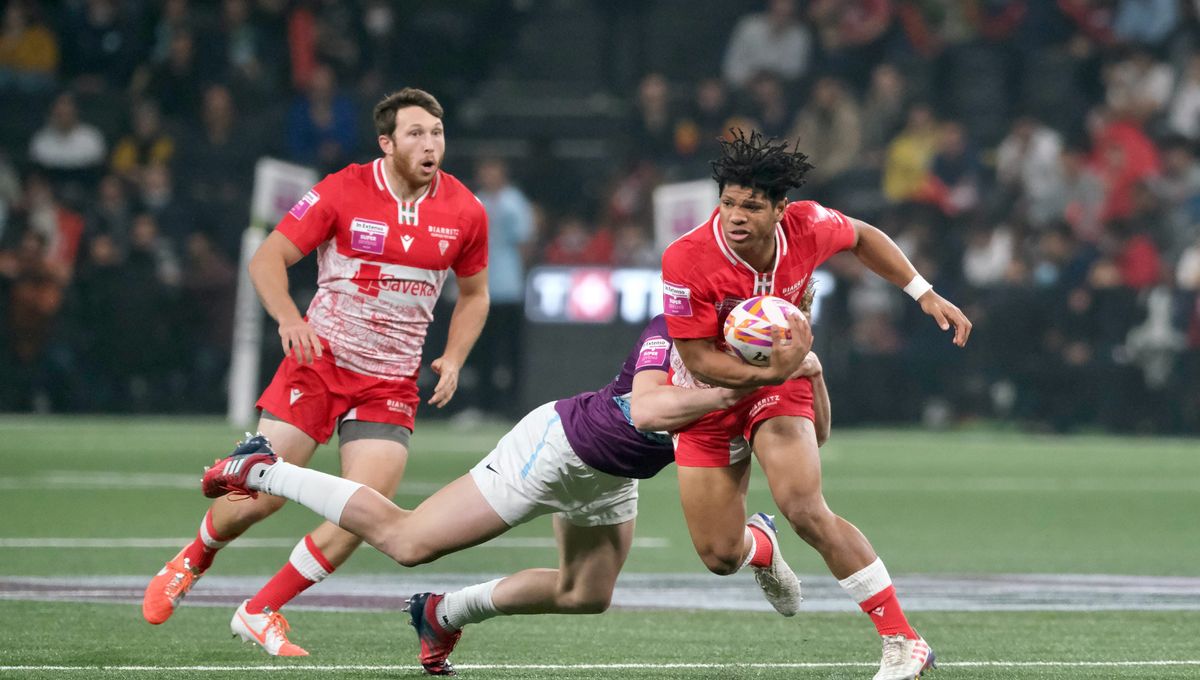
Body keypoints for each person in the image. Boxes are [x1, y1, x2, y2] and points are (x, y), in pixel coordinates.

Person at [199, 310, 831, 674]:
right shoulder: (675, 327)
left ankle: (441, 614)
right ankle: (262, 468)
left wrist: (811, 375)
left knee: (584, 594)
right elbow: (647, 410)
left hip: (611, 479)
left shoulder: (762, 368)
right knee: (407, 539)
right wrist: (739, 389)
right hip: (556, 448)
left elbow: (814, 435)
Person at [141, 88, 491, 657]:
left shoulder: (465, 210)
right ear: (387, 142)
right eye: (416, 133)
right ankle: (193, 558)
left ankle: (261, 609)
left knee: (367, 513)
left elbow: (475, 295)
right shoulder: (343, 189)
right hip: (319, 363)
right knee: (260, 494)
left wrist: (452, 357)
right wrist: (287, 319)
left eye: (437, 132)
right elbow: (266, 259)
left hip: (391, 381)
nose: (431, 145)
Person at [660, 130, 971, 680]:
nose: (736, 216)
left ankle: (904, 640)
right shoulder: (687, 257)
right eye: (728, 202)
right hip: (707, 395)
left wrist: (922, 291)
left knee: (803, 506)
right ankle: (760, 548)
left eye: (752, 206)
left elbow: (863, 236)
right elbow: (699, 359)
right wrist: (772, 367)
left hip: (782, 384)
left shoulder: (807, 225)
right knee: (718, 555)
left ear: (781, 208)